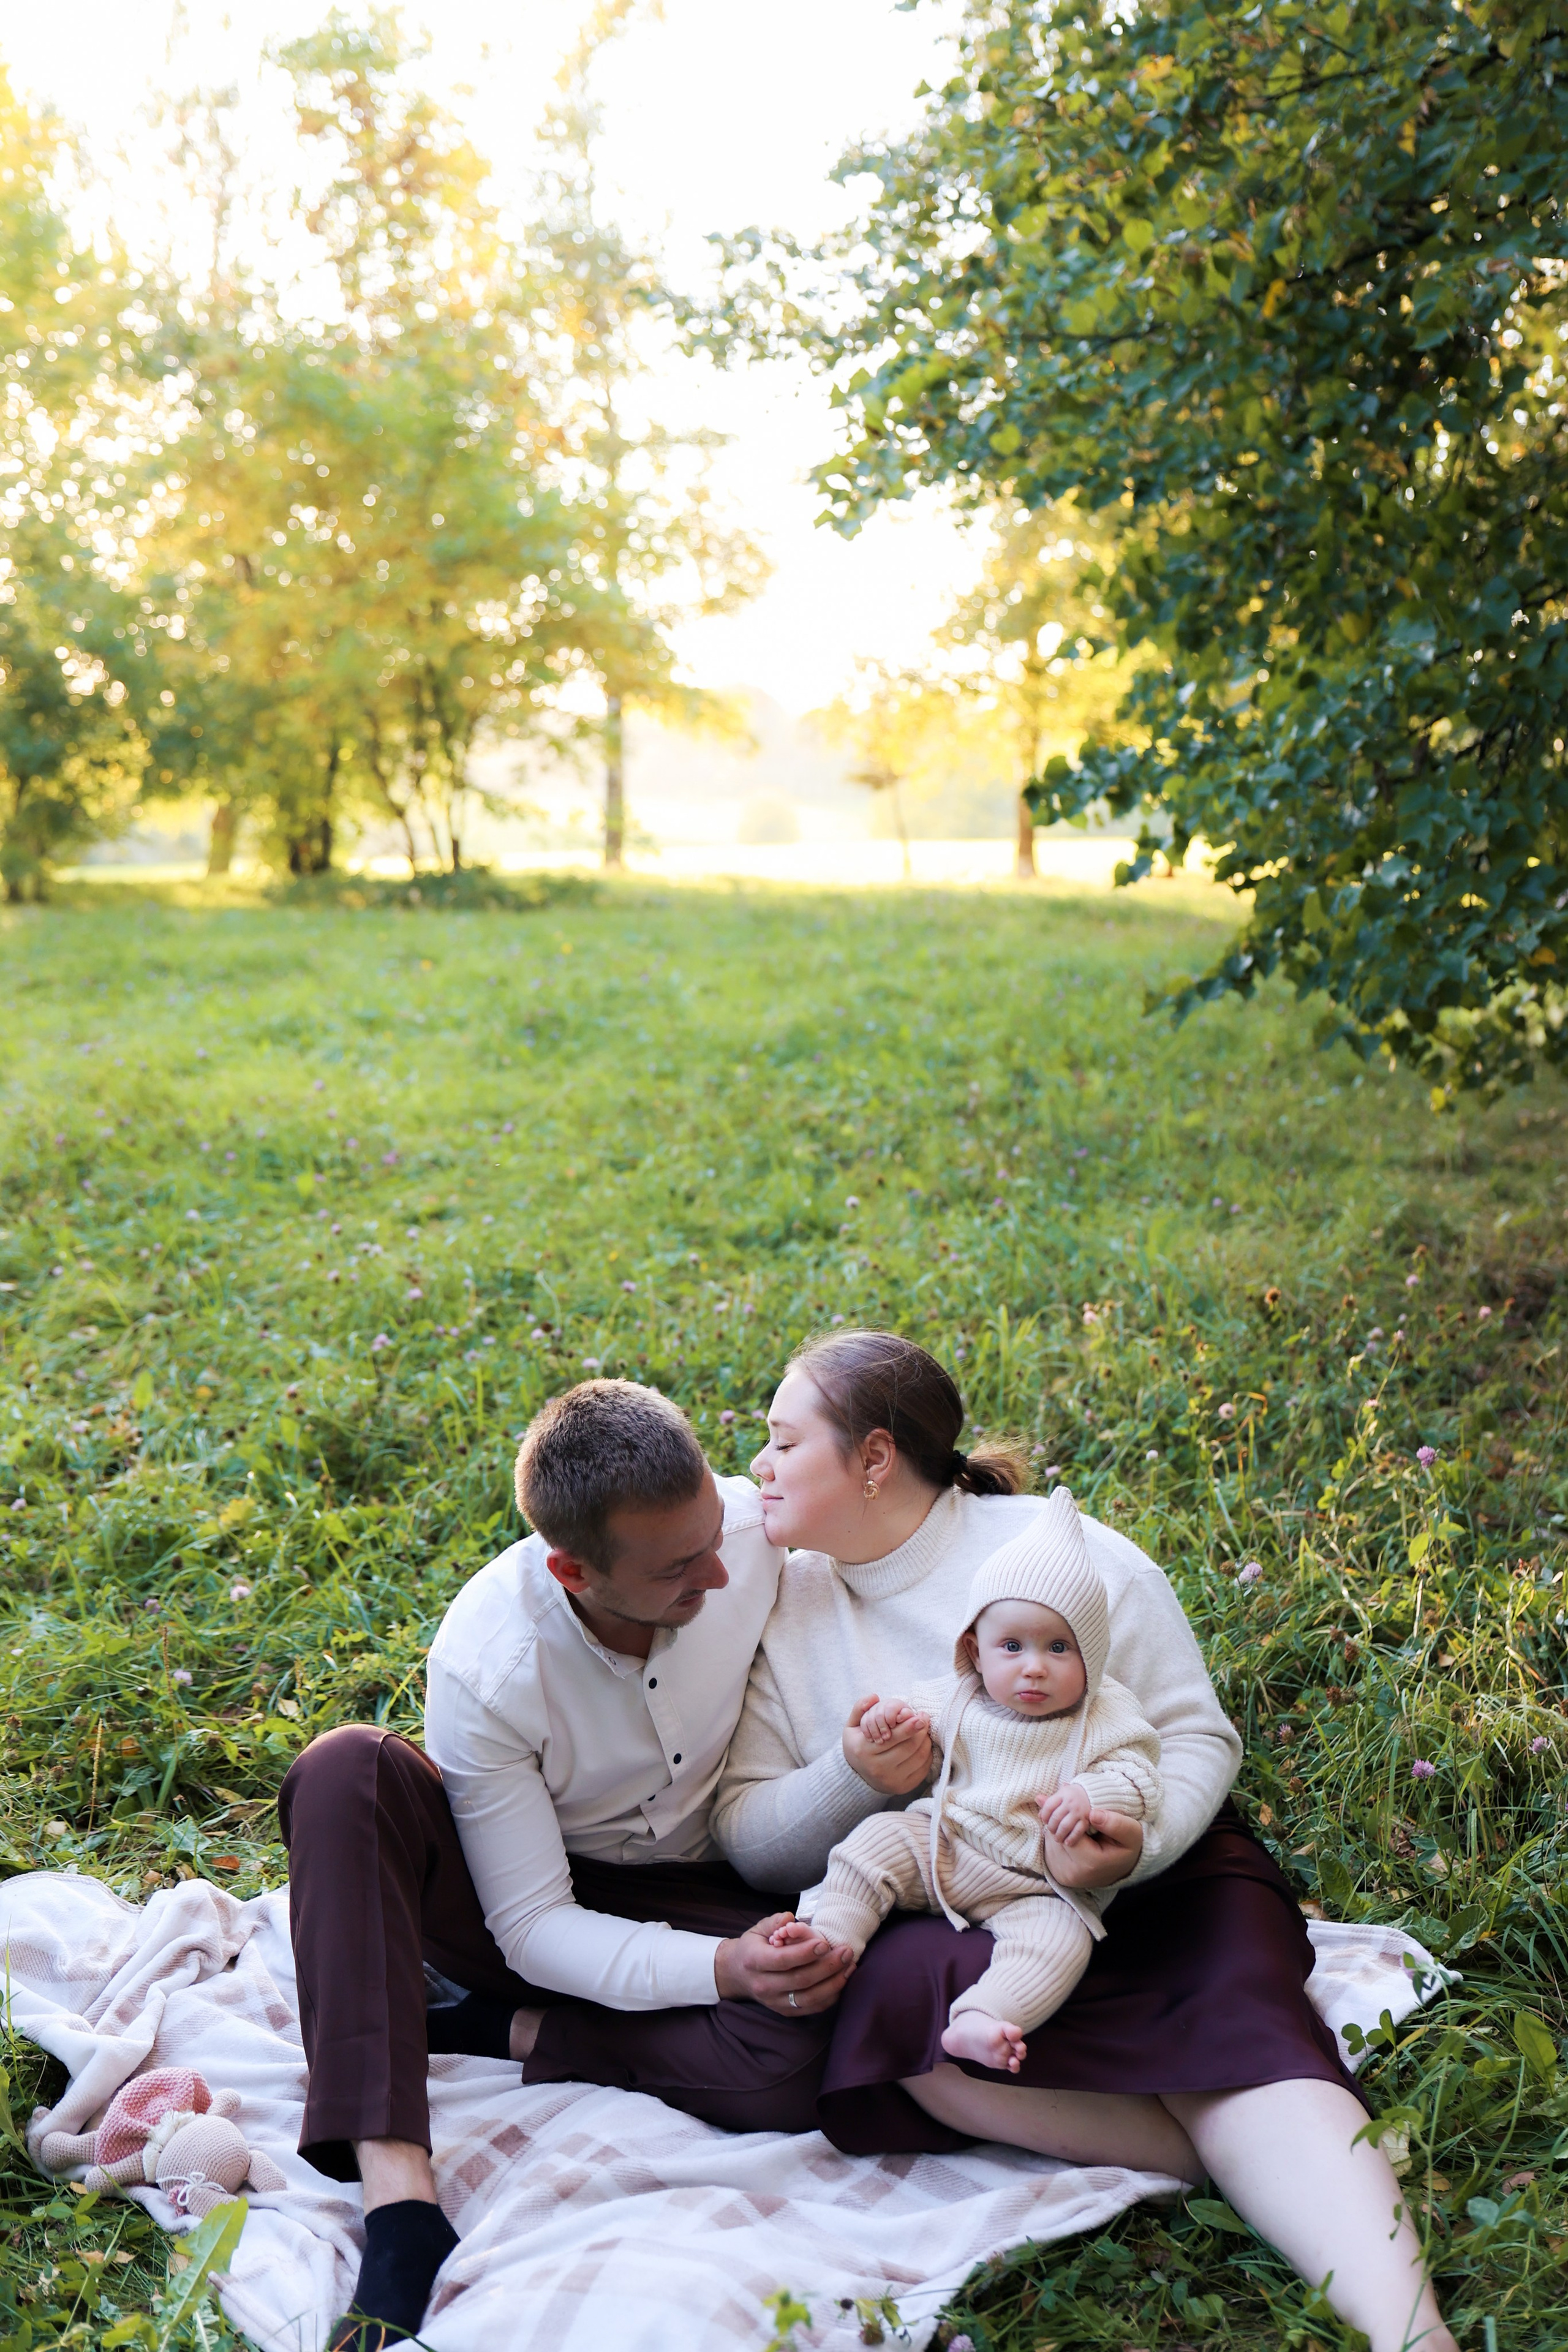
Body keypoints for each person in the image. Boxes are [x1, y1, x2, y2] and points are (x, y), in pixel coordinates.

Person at [714, 1328, 1460, 2352]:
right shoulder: (783, 1601)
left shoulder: (1062, 1558)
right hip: (960, 1888)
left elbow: (1195, 1733)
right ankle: (1224, 2155)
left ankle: (1409, 2330)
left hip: (1149, 1882)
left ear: (874, 1459)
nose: (757, 1466)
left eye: (780, 1441)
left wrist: (1124, 1844)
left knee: (1226, 2011)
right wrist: (851, 1779)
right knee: (903, 2014)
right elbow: (751, 1841)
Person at [279, 1379, 854, 2352]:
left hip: (717, 1876)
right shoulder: (492, 1661)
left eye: (717, 1536)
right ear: (573, 1572)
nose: (717, 1574)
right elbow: (535, 1924)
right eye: (679, 1567)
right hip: (531, 1893)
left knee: (808, 2065)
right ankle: (399, 2208)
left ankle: (494, 2026)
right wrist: (720, 1974)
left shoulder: (755, 1531)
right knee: (345, 1771)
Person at [791, 1488, 1161, 2075]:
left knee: (1060, 1943)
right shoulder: (958, 1695)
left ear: (1092, 1656)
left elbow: (1138, 1776)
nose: (1033, 1666)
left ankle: (984, 2017)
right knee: (874, 1844)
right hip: (947, 1843)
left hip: (1038, 1880)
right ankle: (830, 1937)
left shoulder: (1105, 1714)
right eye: (1012, 1646)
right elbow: (914, 1723)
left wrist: (1092, 1795)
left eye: (1059, 1648)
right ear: (976, 1649)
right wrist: (889, 1724)